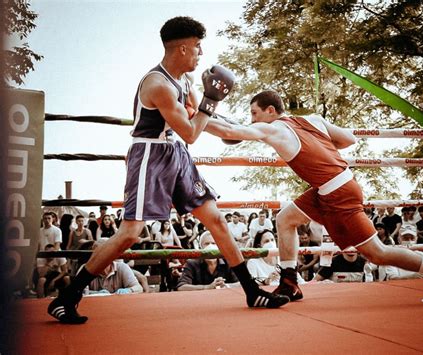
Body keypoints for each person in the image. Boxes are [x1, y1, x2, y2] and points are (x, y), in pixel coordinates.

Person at [48, 18, 289, 324]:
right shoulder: (157, 84)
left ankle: (251, 290)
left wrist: (238, 131)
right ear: (183, 47)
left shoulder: (184, 83)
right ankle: (67, 297)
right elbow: (191, 130)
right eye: (198, 47)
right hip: (149, 154)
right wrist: (211, 101)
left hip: (175, 151)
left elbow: (199, 120)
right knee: (130, 234)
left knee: (215, 218)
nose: (201, 54)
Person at [205, 89, 423, 303]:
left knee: (377, 254)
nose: (252, 120)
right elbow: (348, 140)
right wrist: (321, 151)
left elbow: (230, 132)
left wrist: (193, 115)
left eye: (254, 113)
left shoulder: (273, 128)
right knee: (286, 218)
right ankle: (290, 282)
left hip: (339, 193)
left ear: (271, 111)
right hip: (329, 188)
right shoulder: (313, 119)